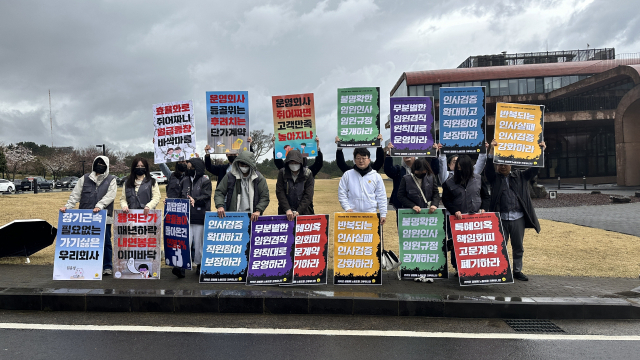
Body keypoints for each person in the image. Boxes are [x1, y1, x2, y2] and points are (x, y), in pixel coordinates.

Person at [485, 139, 546, 281]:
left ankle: (517, 270)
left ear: (510, 164)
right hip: (501, 218)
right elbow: (488, 168)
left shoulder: (521, 176)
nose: (502, 166)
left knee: (518, 246)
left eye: (505, 163)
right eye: (499, 164)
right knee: (500, 247)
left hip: (517, 217)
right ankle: (500, 270)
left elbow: (534, 168)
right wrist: (491, 151)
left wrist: (541, 150)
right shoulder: (494, 178)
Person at [59, 156, 117, 275]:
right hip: (85, 216)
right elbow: (75, 194)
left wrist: (100, 205)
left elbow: (111, 195)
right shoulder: (84, 178)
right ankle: (88, 266)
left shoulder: (111, 179)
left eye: (102, 163)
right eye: (98, 163)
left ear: (106, 165)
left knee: (106, 242)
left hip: (104, 216)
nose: (100, 165)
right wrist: (68, 206)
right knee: (86, 242)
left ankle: (107, 266)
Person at [441, 154, 490, 275]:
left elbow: (486, 196)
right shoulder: (449, 182)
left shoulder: (478, 179)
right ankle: (458, 268)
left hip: (475, 218)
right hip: (457, 219)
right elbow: (446, 200)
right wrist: (454, 210)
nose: (459, 170)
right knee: (457, 244)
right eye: (457, 168)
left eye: (462, 168)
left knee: (475, 245)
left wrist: (484, 208)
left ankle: (474, 268)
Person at [172, 157, 211, 278]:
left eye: (191, 167)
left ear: (197, 168)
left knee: (199, 245)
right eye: (188, 167)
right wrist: (170, 202)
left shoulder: (205, 180)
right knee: (184, 243)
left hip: (200, 217)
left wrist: (196, 200)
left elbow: (206, 196)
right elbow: (179, 196)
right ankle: (181, 267)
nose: (189, 169)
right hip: (185, 218)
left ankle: (199, 265)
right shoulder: (184, 180)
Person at [214, 151, 270, 222]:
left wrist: (258, 210)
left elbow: (264, 196)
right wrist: (220, 206)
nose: (244, 167)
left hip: (253, 216)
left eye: (246, 165)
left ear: (251, 165)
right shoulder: (230, 176)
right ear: (237, 163)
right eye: (242, 164)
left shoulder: (258, 178)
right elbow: (220, 192)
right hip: (234, 216)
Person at [338, 148, 387, 225]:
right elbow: (342, 193)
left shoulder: (376, 176)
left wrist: (383, 213)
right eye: (358, 158)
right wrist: (347, 208)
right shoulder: (347, 175)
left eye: (364, 158)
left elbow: (381, 196)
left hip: (371, 215)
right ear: (354, 160)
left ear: (369, 160)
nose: (361, 161)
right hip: (352, 215)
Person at [276, 149, 315, 220]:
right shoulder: (282, 173)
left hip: (305, 212)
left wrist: (299, 211)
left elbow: (308, 194)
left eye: (296, 162)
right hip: (285, 212)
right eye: (291, 162)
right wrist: (287, 209)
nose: (294, 164)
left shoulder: (307, 173)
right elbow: (280, 192)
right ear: (287, 162)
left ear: (300, 162)